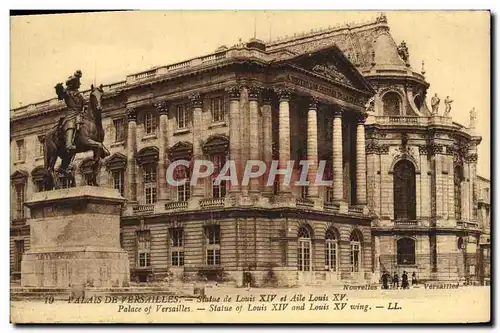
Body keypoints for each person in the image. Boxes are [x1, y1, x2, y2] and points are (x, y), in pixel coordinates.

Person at [55, 70, 85, 153]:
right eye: (75, 83)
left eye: (77, 83)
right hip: (71, 114)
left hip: (80, 114)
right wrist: (59, 88)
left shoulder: (79, 95)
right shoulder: (67, 93)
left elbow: (83, 105)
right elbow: (61, 93)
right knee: (71, 123)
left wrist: (78, 76)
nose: (77, 84)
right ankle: (68, 144)